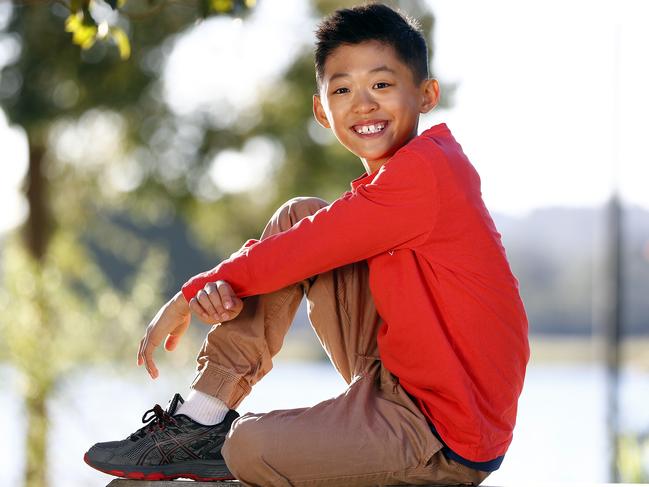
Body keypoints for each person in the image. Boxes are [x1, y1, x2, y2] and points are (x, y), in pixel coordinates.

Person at [84, 3, 530, 486]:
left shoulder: (429, 169)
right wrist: (215, 285)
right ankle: (202, 414)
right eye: (343, 90)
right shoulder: (390, 184)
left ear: (426, 95)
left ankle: (224, 442)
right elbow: (303, 242)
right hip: (396, 376)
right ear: (322, 110)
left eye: (382, 85)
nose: (363, 104)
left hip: (444, 432)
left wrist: (191, 294)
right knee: (300, 214)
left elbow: (304, 251)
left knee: (246, 445)